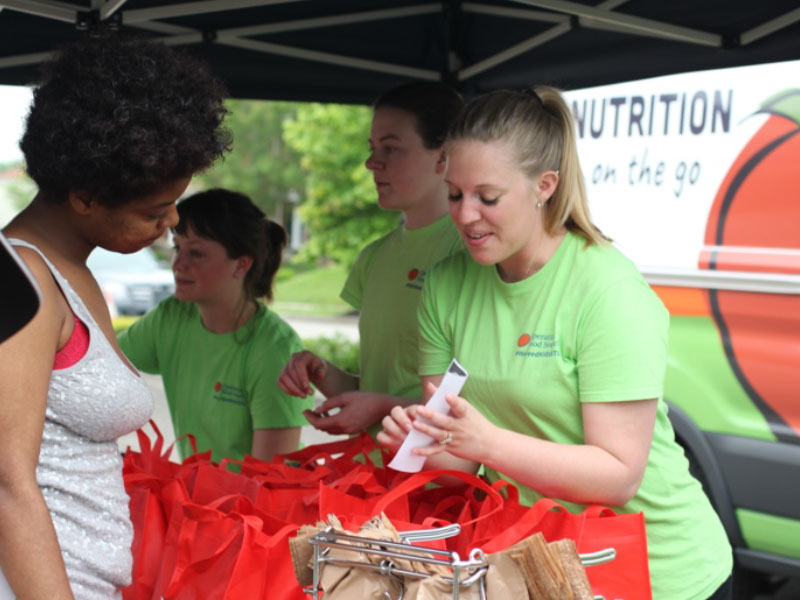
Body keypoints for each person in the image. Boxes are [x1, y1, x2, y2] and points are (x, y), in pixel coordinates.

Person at [378, 87, 733, 600]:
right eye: (455, 194)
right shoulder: (444, 285)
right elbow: (458, 468)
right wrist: (416, 446)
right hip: (541, 565)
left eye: (488, 197)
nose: (465, 215)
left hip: (658, 572)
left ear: (545, 186)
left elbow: (617, 476)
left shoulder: (608, 290)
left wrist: (486, 442)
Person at [0, 35, 229, 599]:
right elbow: (7, 481)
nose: (173, 220)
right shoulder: (23, 280)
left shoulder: (70, 270)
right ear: (82, 195)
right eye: (154, 210)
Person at [278, 81, 465, 436]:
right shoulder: (374, 257)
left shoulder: (472, 254)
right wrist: (322, 371)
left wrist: (382, 408)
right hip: (370, 476)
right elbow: (378, 388)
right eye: (372, 148)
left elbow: (483, 407)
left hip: (441, 483)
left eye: (391, 149)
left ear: (443, 156)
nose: (371, 163)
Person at [118, 189, 310, 463]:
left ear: (241, 265)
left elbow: (270, 480)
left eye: (196, 253)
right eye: (177, 248)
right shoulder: (172, 317)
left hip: (257, 502)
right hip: (199, 498)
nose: (178, 264)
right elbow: (101, 360)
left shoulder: (274, 349)